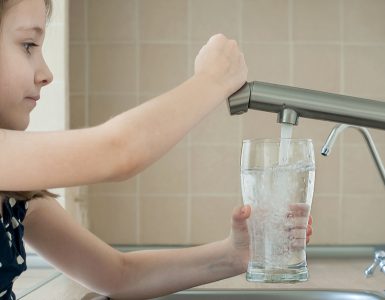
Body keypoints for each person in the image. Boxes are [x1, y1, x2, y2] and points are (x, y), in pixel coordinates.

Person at [0, 0, 313, 299]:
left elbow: (118, 275)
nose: (46, 73)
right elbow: (118, 151)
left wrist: (236, 254)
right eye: (28, 45)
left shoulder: (16, 194)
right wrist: (213, 80)